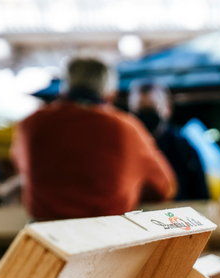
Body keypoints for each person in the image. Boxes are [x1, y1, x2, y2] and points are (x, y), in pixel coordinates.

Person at [11, 57, 176, 220]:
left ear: (63, 90)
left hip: (46, 238)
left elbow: (20, 165)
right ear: (110, 95)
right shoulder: (126, 129)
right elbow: (165, 187)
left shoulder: (31, 124)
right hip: (108, 239)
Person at [129, 82, 210, 201]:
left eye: (152, 108)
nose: (145, 115)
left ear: (168, 109)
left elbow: (202, 198)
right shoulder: (126, 148)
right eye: (139, 110)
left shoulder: (183, 148)